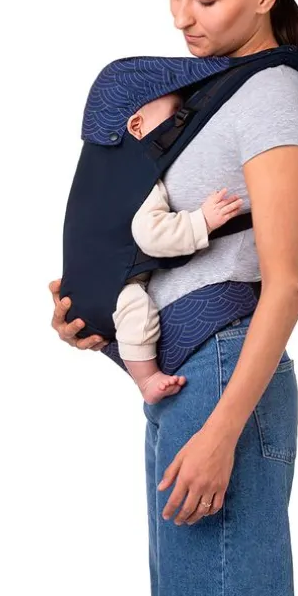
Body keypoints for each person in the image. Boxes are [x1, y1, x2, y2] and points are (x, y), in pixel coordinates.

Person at [50, 0, 298, 596]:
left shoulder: (274, 93)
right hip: (187, 378)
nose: (181, 17)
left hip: (225, 376)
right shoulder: (210, 90)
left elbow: (287, 284)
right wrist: (98, 310)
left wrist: (222, 432)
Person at [114, 90, 245, 404]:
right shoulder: (140, 176)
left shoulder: (118, 172)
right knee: (135, 307)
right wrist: (202, 221)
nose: (184, 120)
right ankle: (146, 378)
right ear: (137, 126)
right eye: (176, 113)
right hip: (118, 279)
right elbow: (150, 234)